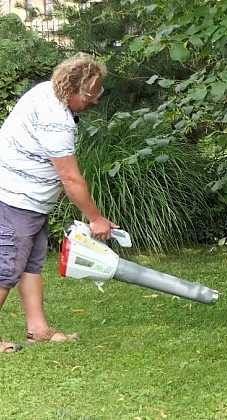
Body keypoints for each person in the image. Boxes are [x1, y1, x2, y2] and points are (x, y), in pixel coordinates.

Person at [0, 53, 117, 353]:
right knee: (7, 267)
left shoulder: (46, 91)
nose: (95, 101)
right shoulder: (56, 120)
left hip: (29, 199)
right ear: (72, 90)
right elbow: (71, 178)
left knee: (31, 264)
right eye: (92, 94)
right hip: (15, 197)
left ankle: (37, 329)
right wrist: (96, 218)